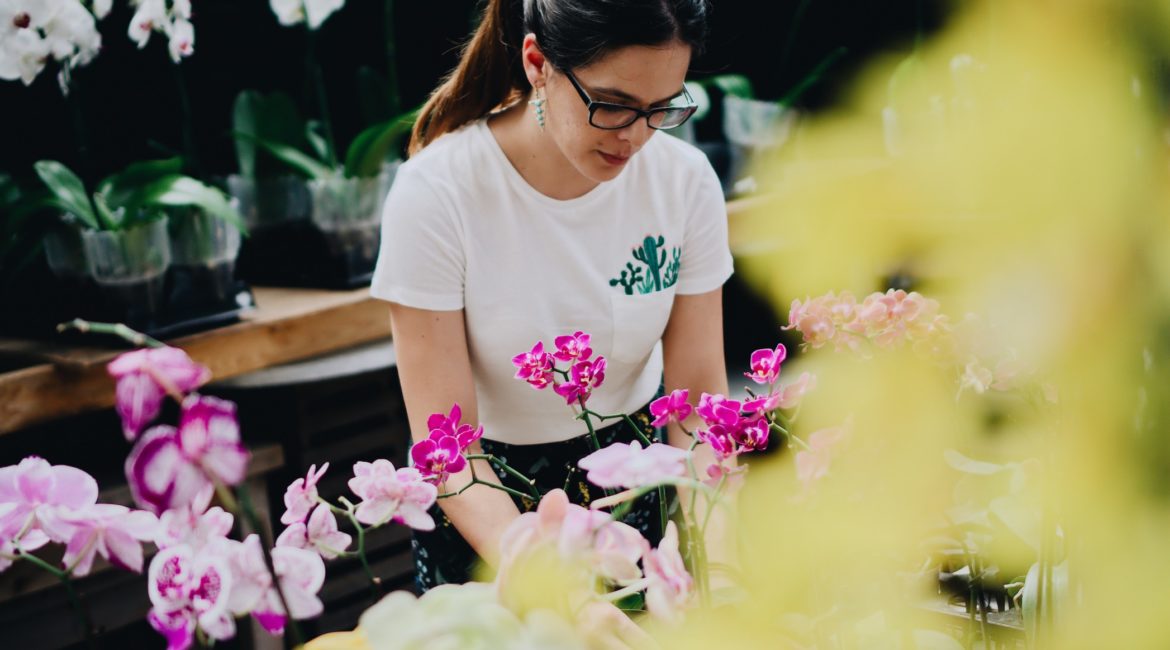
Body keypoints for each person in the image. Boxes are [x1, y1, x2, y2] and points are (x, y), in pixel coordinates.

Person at [370, 0, 733, 611]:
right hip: (488, 511)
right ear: (537, 62)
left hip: (634, 487)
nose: (635, 136)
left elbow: (697, 407)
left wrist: (724, 566)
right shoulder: (438, 195)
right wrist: (546, 580)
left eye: (661, 108)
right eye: (613, 105)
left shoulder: (685, 181)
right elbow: (448, 448)